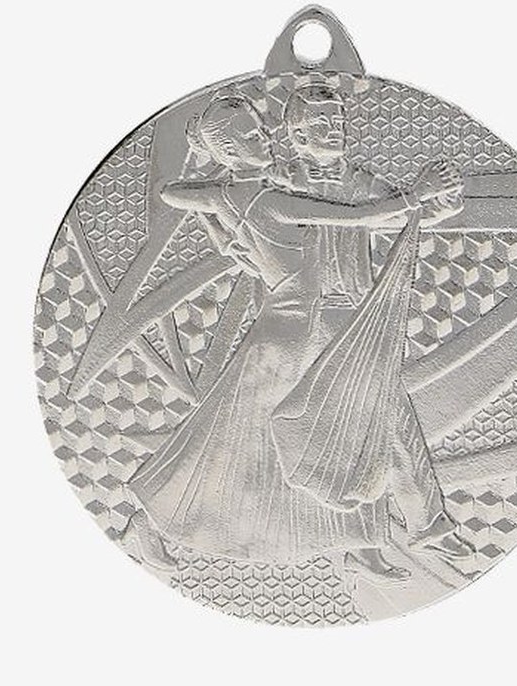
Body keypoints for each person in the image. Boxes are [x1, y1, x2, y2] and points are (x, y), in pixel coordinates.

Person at [123, 95, 463, 580]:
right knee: (354, 425)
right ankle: (410, 533)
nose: (335, 127)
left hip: (331, 322)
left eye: (338, 118)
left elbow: (174, 192)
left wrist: (435, 202)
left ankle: (366, 545)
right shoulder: (274, 191)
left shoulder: (296, 186)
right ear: (297, 134)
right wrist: (415, 196)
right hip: (306, 328)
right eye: (320, 121)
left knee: (342, 431)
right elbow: (358, 216)